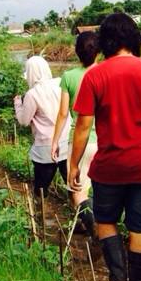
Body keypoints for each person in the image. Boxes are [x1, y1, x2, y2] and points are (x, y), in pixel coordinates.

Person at [69, 13, 141, 281]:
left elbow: (82, 126)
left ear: (106, 41)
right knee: (140, 229)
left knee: (106, 223)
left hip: (109, 166)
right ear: (133, 39)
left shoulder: (95, 75)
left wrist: (74, 163)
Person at [52, 31, 100, 234]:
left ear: (76, 52)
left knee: (78, 191)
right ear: (98, 51)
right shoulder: (106, 73)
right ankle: (94, 224)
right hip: (105, 141)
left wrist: (55, 141)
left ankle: (93, 227)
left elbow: (63, 113)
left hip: (80, 142)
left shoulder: (69, 77)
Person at [15, 56, 69, 195]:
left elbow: (24, 121)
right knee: (73, 187)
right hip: (66, 142)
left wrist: (17, 104)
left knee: (41, 190)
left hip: (45, 148)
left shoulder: (32, 94)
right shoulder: (60, 83)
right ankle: (82, 214)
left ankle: (41, 214)